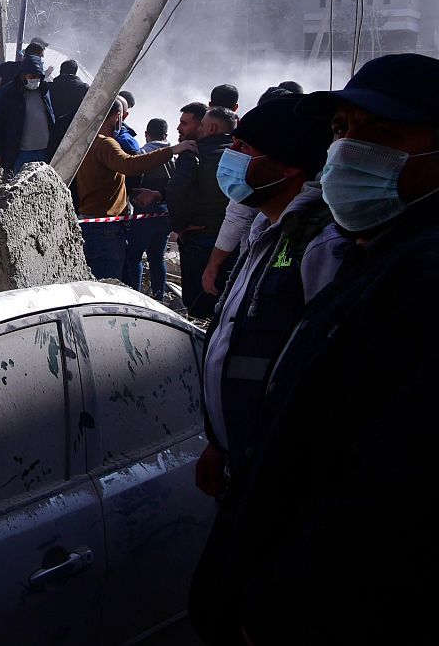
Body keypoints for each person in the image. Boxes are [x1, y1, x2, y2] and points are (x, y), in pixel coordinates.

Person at [189, 54, 439, 643]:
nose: (351, 151)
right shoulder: (366, 248)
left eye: (383, 136)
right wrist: (224, 443)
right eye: (343, 131)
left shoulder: (402, 272)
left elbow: (383, 489)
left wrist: (283, 606)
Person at [191, 94, 341, 505]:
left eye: (245, 149)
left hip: (281, 472)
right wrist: (219, 441)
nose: (231, 156)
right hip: (239, 453)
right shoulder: (264, 225)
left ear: (289, 166)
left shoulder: (320, 245)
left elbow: (323, 376)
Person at [73, 98, 186, 280]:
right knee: (108, 283)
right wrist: (172, 151)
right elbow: (129, 165)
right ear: (117, 117)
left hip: (93, 221)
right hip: (105, 227)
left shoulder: (88, 141)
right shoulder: (105, 144)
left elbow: (103, 179)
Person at [169, 105, 237, 319]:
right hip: (233, 241)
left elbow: (176, 190)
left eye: (203, 126)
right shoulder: (241, 156)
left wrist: (180, 227)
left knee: (198, 305)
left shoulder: (194, 154)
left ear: (211, 128)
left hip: (200, 239)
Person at [122, 117, 174, 300]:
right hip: (166, 213)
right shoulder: (174, 155)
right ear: (166, 135)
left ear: (146, 134)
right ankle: (158, 297)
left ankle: (135, 297)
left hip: (144, 214)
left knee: (134, 256)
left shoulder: (142, 154)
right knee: (157, 257)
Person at [0, 54, 54, 180]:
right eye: (32, 76)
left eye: (39, 77)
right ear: (23, 75)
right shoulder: (6, 94)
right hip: (19, 154)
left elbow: (50, 116)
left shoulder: (44, 90)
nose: (36, 80)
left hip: (44, 152)